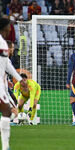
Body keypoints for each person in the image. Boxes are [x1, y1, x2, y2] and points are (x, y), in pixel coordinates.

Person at [0, 17, 23, 150]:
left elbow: (6, 64)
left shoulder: (3, 42)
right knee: (8, 111)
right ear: (4, 27)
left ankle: (6, 146)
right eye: (9, 26)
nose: (10, 29)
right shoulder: (1, 43)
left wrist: (19, 79)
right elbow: (6, 64)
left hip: (2, 85)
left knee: (8, 111)